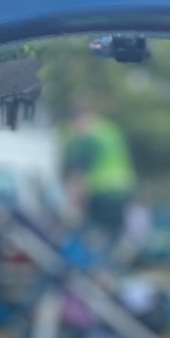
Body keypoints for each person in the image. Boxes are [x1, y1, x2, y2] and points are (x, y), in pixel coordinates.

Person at [62, 98, 137, 247]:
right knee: (113, 238)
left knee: (95, 240)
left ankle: (98, 268)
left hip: (100, 196)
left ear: (78, 119)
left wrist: (74, 205)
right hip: (122, 193)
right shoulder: (110, 130)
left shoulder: (85, 138)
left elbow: (79, 178)